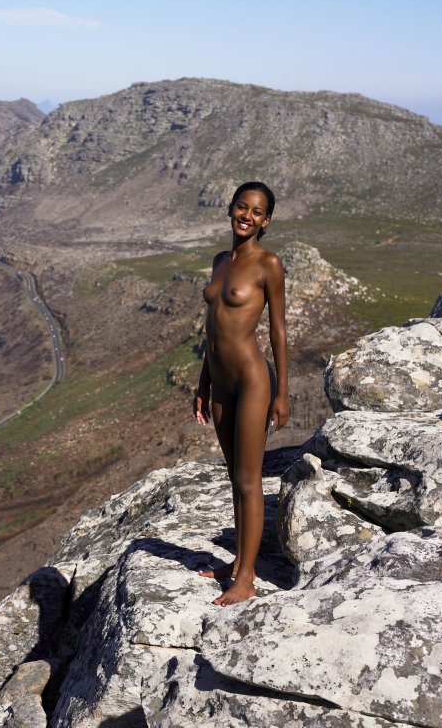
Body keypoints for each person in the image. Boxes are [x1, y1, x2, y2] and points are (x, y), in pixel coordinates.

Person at [193, 181, 289, 606]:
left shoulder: (268, 264)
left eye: (256, 211)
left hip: (252, 380)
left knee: (250, 481)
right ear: (231, 210)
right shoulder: (219, 261)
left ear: (265, 221)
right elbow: (213, 328)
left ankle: (246, 579)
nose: (246, 215)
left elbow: (279, 332)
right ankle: (236, 563)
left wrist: (281, 393)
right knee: (235, 477)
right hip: (220, 382)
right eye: (240, 206)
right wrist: (202, 384)